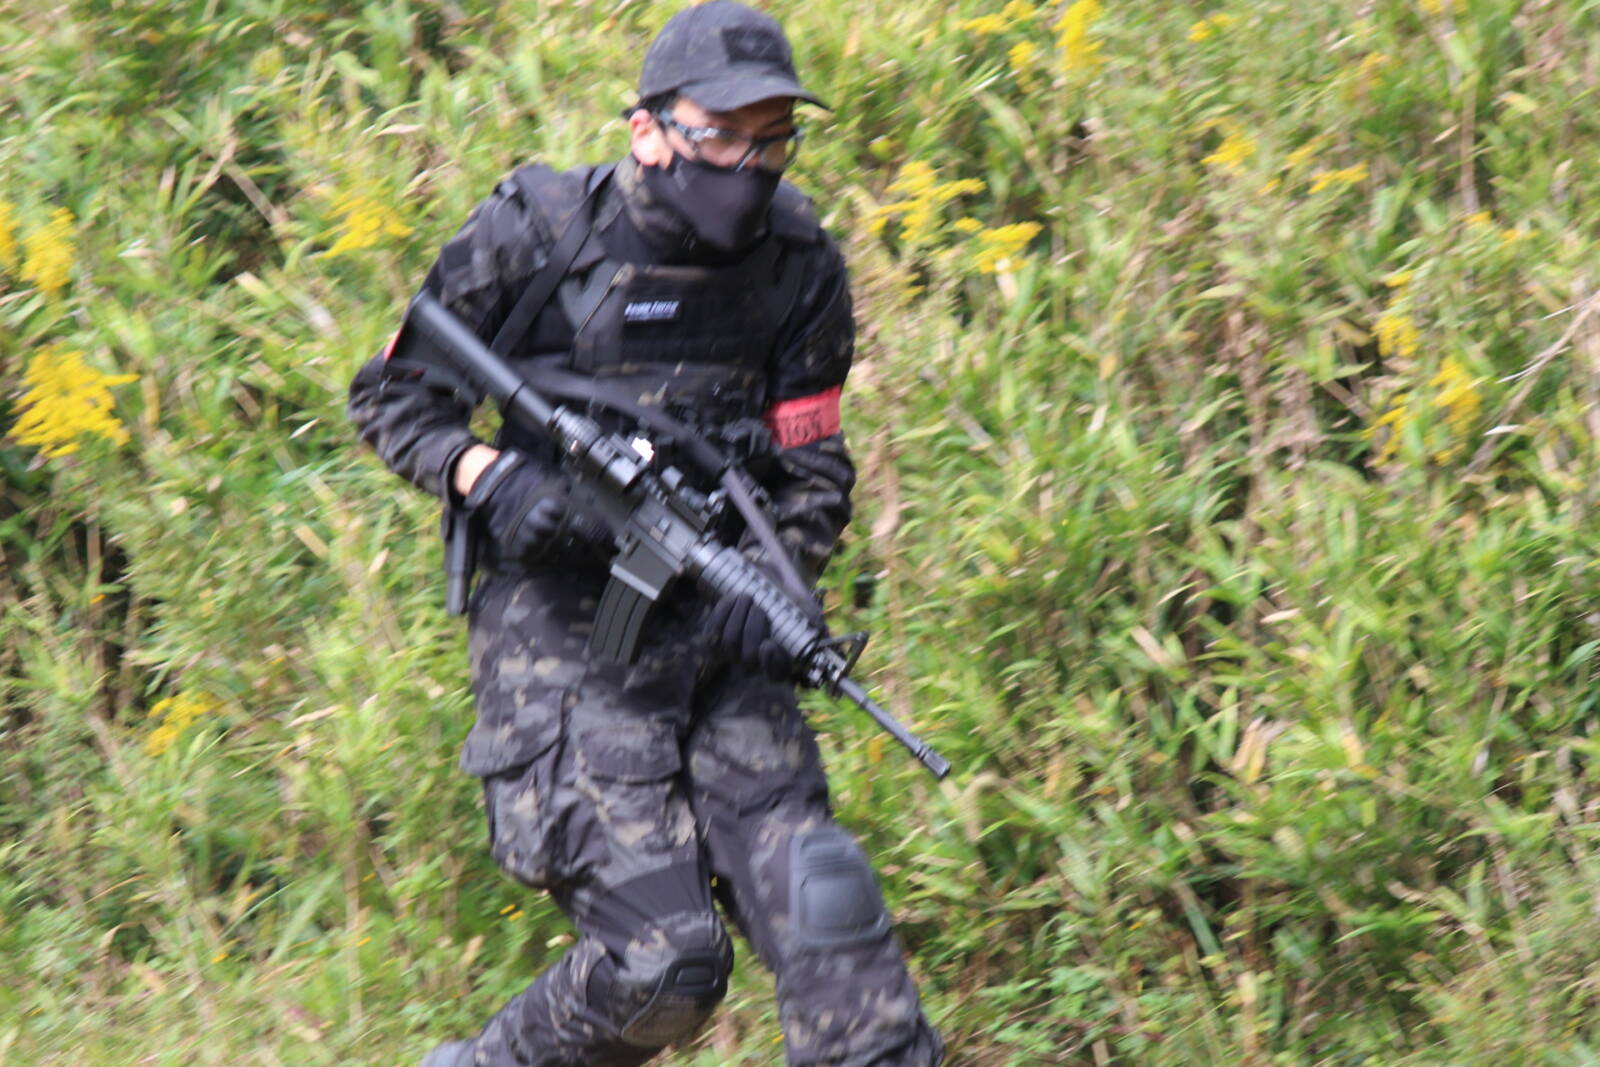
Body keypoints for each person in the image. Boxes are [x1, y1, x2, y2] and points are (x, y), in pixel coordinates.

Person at [347, 3, 944, 1064]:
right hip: (563, 636)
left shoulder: (798, 263)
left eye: (773, 140)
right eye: (721, 136)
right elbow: (393, 396)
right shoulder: (538, 231)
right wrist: (493, 481)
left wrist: (777, 583)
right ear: (648, 132)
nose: (747, 166)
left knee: (839, 939)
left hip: (717, 625)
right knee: (664, 965)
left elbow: (811, 463)